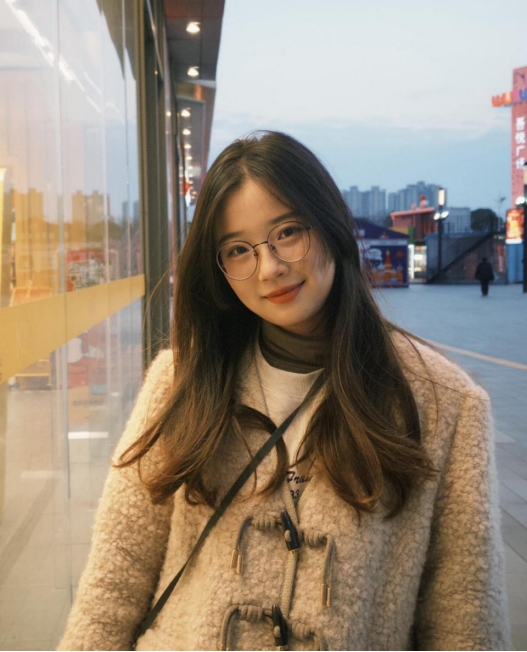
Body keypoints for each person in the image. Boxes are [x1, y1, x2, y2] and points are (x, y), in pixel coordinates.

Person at [59, 132, 509, 651]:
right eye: (238, 250)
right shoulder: (180, 381)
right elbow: (114, 579)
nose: (270, 267)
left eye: (288, 232)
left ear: (331, 224)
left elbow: (465, 615)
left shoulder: (445, 403)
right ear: (220, 270)